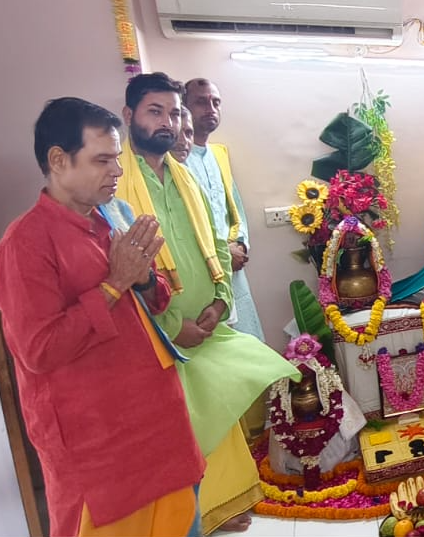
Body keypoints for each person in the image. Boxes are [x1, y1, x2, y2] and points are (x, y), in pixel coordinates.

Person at [0, 97, 204, 536]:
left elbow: (154, 301)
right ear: (58, 160)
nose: (117, 172)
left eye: (117, 159)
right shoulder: (24, 245)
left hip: (158, 426)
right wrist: (113, 285)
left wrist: (142, 280)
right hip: (100, 449)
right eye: (102, 159)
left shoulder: (107, 220)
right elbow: (40, 350)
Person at [116, 73, 299, 534]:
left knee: (218, 412)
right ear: (129, 117)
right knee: (187, 424)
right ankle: (198, 513)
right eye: (155, 111)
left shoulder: (183, 175)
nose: (169, 122)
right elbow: (127, 268)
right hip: (160, 330)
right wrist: (172, 324)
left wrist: (219, 300)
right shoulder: (119, 188)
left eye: (174, 113)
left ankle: (227, 501)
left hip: (207, 320)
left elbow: (214, 242)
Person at [182, 79, 268, 438]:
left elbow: (234, 207)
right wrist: (219, 255)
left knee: (249, 348)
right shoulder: (176, 159)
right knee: (219, 362)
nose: (211, 110)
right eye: (201, 102)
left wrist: (241, 245)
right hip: (203, 272)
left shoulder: (218, 154)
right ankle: (235, 441)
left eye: (216, 102)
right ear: (184, 107)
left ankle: (258, 433)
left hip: (234, 270)